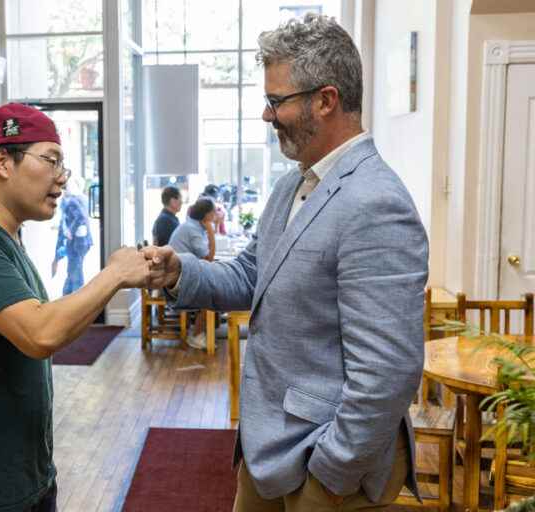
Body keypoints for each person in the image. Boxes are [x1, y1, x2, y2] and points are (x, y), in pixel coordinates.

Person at [144, 13, 427, 512]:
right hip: (269, 453)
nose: (267, 115)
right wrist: (180, 271)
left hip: (326, 470)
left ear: (326, 100)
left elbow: (388, 371)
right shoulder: (291, 185)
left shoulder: (376, 202)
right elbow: (252, 275)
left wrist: (331, 472)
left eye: (277, 101)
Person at [0, 103, 150, 512]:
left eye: (64, 165)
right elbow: (41, 334)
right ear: (3, 162)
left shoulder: (5, 237)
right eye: (51, 160)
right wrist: (114, 274)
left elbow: (50, 329)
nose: (61, 178)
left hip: (22, 474)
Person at [168, 197, 217, 349]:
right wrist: (211, 231)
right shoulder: (193, 229)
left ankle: (202, 329)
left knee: (214, 283)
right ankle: (196, 335)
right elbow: (208, 258)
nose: (215, 214)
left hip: (179, 274)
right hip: (175, 280)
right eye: (213, 212)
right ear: (206, 215)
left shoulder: (192, 226)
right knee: (212, 292)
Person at [52, 175, 93, 295]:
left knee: (75, 272)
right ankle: (67, 297)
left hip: (77, 243)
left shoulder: (72, 201)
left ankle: (74, 299)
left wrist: (69, 231)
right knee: (73, 271)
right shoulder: (82, 199)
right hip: (81, 243)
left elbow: (79, 218)